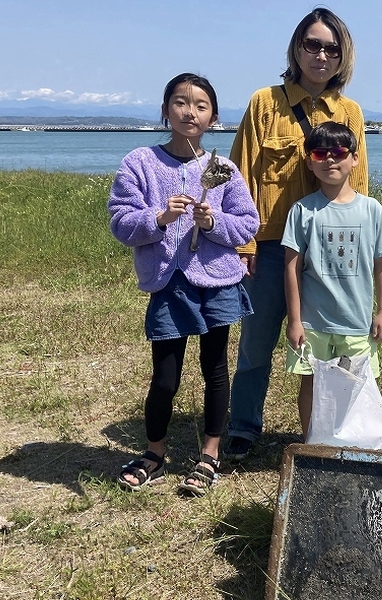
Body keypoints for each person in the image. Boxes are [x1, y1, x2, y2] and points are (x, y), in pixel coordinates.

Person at [226, 8, 369, 458]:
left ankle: (329, 429)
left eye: (332, 48)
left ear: (342, 56)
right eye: (313, 45)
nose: (321, 56)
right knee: (256, 342)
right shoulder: (264, 104)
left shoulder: (349, 112)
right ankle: (243, 427)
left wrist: (359, 250)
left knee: (330, 344)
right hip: (270, 246)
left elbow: (359, 183)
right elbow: (241, 176)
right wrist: (243, 243)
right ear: (296, 49)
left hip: (330, 250)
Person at [108, 73, 260, 495]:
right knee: (165, 377)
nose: (189, 112)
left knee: (215, 369)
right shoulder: (140, 162)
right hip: (168, 283)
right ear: (165, 110)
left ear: (213, 117)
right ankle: (154, 454)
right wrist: (159, 218)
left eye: (200, 105)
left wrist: (212, 223)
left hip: (216, 282)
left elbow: (247, 223)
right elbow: (121, 221)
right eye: (180, 102)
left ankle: (209, 454)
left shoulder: (221, 169)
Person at [281, 121, 382, 436]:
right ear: (309, 162)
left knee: (357, 385)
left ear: (354, 159)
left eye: (339, 152)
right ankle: (312, 443)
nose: (329, 159)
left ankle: (351, 441)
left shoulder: (372, 210)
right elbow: (291, 268)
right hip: (313, 322)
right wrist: (295, 320)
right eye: (319, 153)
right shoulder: (302, 211)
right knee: (311, 384)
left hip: (356, 322)